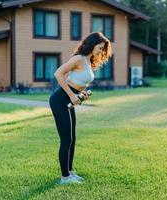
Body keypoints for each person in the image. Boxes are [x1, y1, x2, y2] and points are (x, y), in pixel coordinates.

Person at [49, 32, 112, 185]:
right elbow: (58, 74)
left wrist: (81, 93)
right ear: (92, 44)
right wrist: (71, 95)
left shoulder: (88, 61)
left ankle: (70, 173)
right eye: (100, 47)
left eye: (103, 49)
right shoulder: (78, 59)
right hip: (59, 100)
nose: (101, 51)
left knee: (73, 138)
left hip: (69, 99)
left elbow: (75, 81)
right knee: (66, 139)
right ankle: (64, 178)